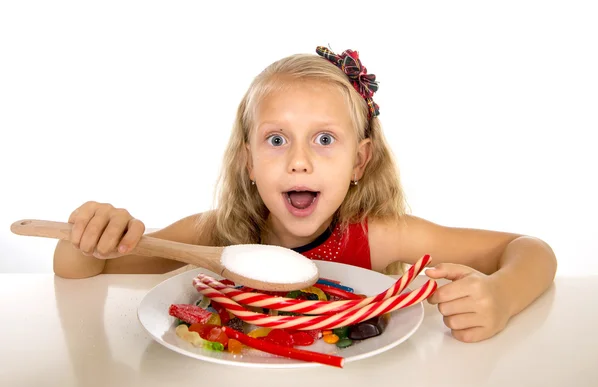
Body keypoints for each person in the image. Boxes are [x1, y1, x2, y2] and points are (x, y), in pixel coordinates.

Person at [53, 46, 557, 343]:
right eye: (276, 140)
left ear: (359, 161)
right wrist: (91, 235)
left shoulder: (377, 235)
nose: (299, 160)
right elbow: (87, 270)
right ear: (248, 162)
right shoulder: (215, 234)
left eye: (324, 139)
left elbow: (530, 250)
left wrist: (504, 295)